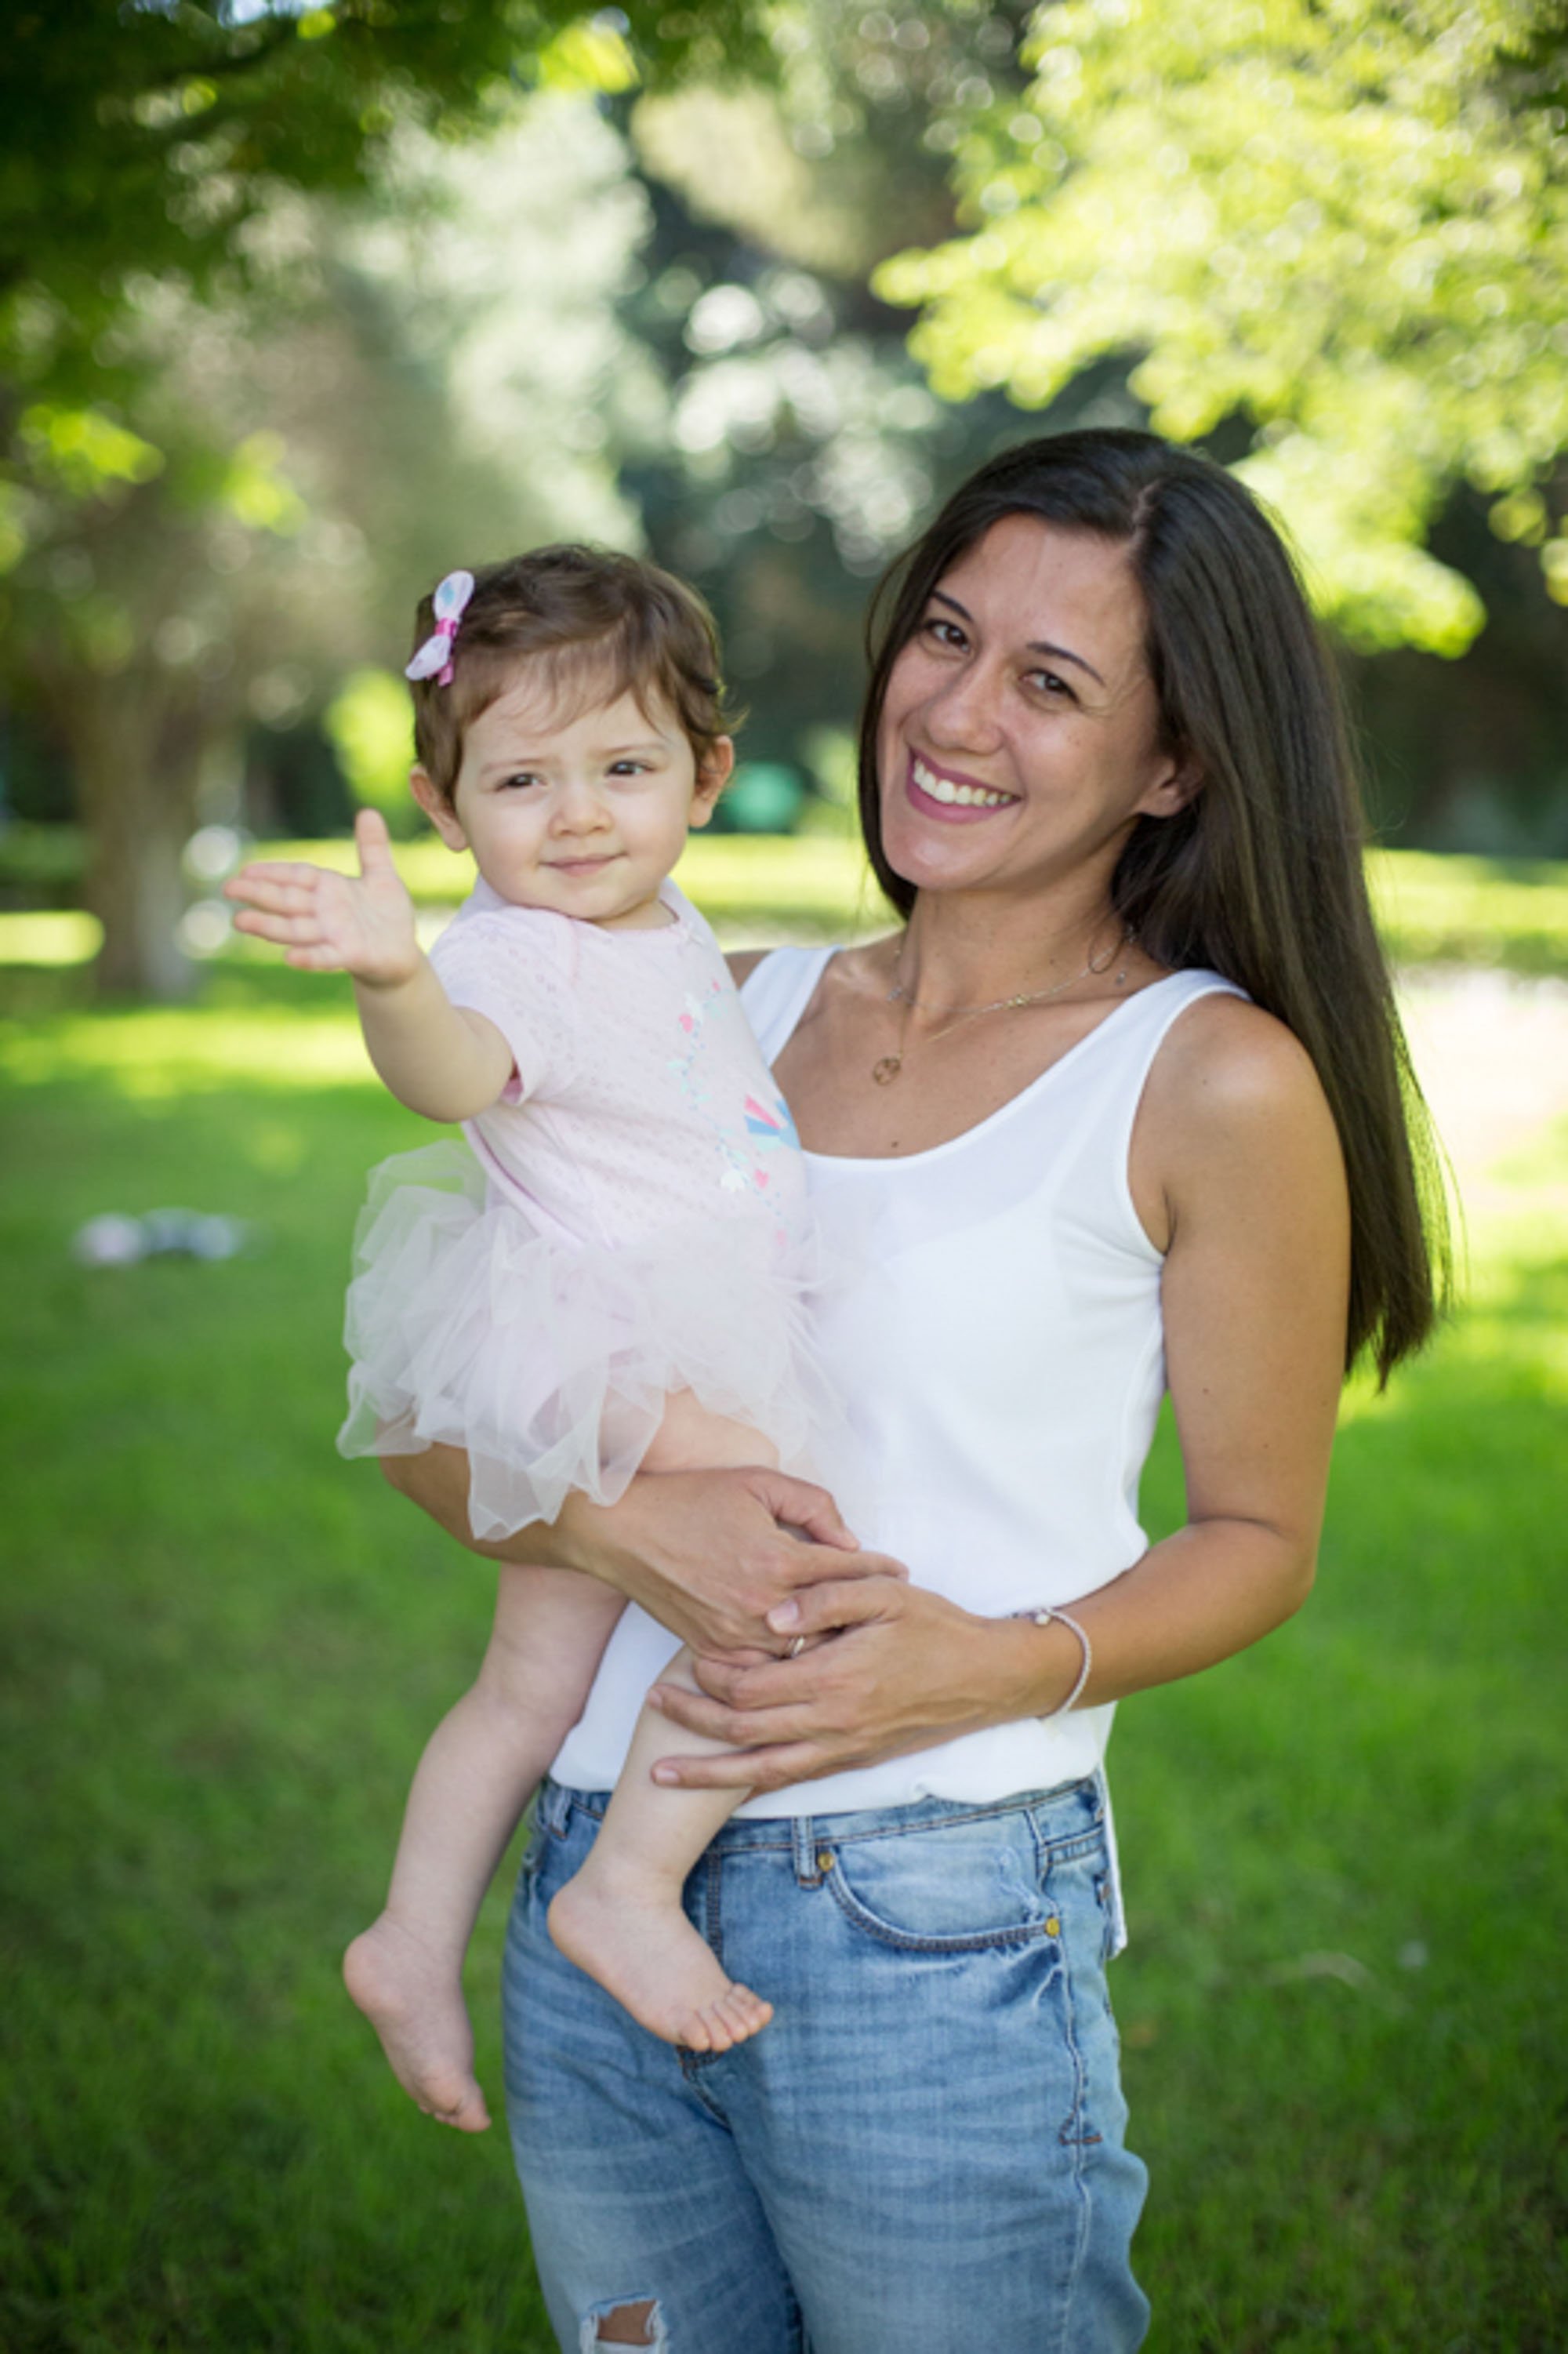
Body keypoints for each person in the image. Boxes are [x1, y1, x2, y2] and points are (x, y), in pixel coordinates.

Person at [384, 428, 1446, 2354]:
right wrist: (633, 1525)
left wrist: (989, 1657)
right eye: (944, 635)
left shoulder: (1205, 1082)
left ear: (1177, 760)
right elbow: (439, 1420)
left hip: (933, 1915)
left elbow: (1259, 1541)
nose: (953, 713)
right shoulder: (720, 1003)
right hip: (592, 1868)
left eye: (1051, 683)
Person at [227, 547, 865, 2130]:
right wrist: (393, 976)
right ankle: (629, 1883)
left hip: (596, 1342)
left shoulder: (658, 919)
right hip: (621, 1346)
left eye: (623, 768)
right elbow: (453, 1071)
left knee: (523, 1688)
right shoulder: (509, 949)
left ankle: (407, 1937)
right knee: (792, 1570)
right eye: (521, 779)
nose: (576, 814)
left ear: (705, 776)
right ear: (449, 814)